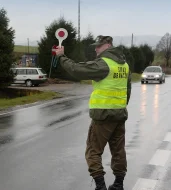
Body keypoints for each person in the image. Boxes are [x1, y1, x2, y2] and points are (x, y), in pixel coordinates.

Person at [54, 35, 131, 190]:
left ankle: (100, 186)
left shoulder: (104, 64)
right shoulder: (124, 65)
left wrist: (62, 57)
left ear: (108, 46)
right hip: (119, 114)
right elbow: (128, 89)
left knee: (93, 150)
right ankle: (118, 184)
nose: (96, 49)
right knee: (118, 150)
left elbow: (77, 70)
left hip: (103, 116)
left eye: (99, 46)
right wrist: (120, 106)